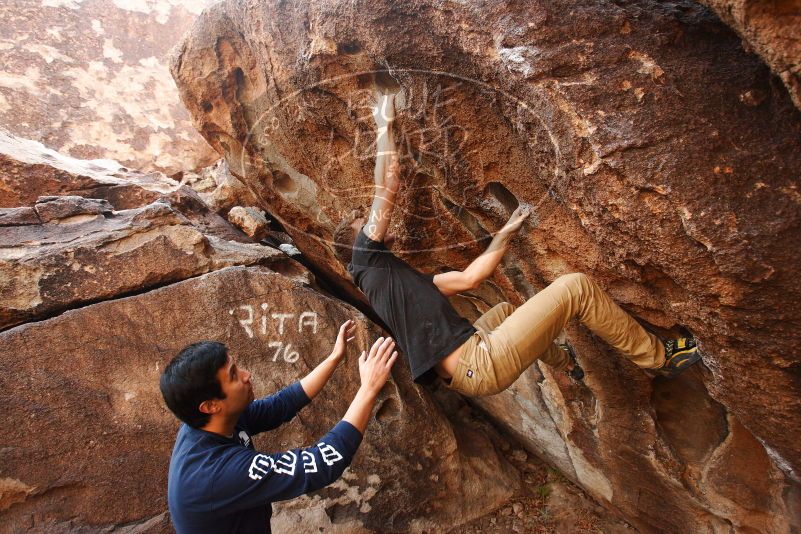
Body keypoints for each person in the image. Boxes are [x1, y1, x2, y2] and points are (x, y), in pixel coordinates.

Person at [332, 92, 701, 398]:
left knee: (506, 310)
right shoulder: (366, 258)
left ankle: (568, 364)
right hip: (479, 362)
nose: (366, 222)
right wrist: (385, 124)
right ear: (358, 243)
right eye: (359, 225)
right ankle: (659, 358)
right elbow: (388, 184)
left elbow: (469, 278)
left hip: (469, 371)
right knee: (576, 287)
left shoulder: (392, 282)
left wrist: (507, 229)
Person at [159, 319, 398, 533]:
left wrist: (335, 357)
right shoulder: (215, 475)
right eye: (233, 375)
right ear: (210, 406)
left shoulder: (208, 425)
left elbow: (281, 405)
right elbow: (322, 463)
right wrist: (369, 388)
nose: (246, 374)